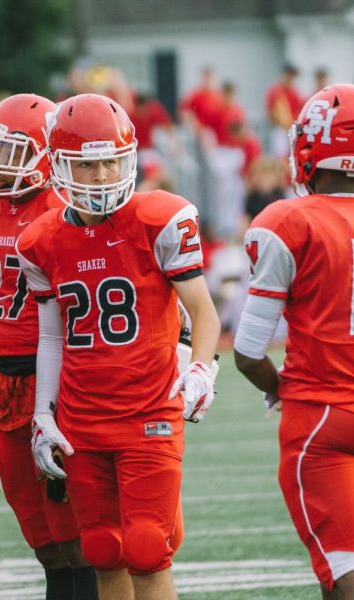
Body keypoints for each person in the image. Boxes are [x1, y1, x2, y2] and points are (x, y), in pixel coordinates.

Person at [16, 93, 220, 600]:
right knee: (103, 549)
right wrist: (44, 414)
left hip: (148, 407)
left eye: (111, 161)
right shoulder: (41, 240)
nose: (103, 175)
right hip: (83, 417)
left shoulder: (160, 219)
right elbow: (50, 335)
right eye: (88, 165)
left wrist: (202, 369)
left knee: (148, 548)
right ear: (61, 167)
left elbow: (204, 312)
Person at [0, 93, 97, 600]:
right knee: (44, 544)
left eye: (11, 152)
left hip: (58, 382)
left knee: (77, 542)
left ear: (45, 155)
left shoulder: (63, 211)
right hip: (4, 381)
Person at [234, 83, 354, 600]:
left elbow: (248, 352)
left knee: (345, 571)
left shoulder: (290, 221)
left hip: (321, 414)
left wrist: (279, 389)